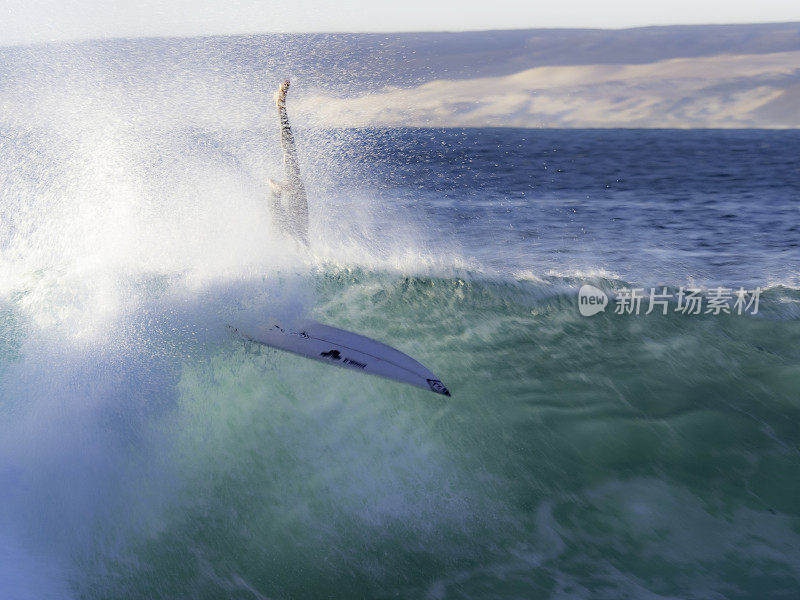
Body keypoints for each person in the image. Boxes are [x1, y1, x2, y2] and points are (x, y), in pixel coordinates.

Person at [268, 80, 309, 246]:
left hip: (293, 225)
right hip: (296, 226)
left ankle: (275, 191)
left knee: (291, 156)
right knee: (291, 157)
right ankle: (281, 107)